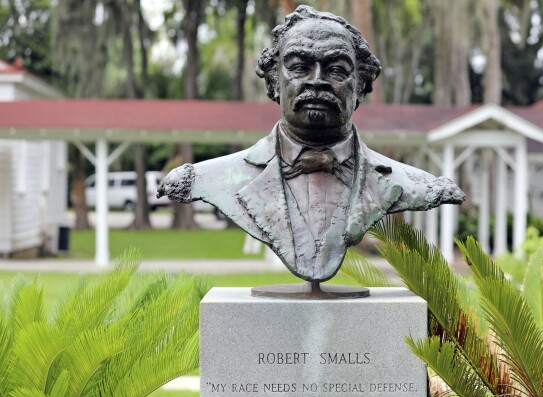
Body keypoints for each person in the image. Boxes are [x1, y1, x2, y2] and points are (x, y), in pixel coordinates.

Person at [157, 5, 465, 283]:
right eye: (299, 66)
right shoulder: (204, 179)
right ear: (274, 81)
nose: (317, 80)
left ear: (360, 86)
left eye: (336, 69)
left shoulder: (416, 184)